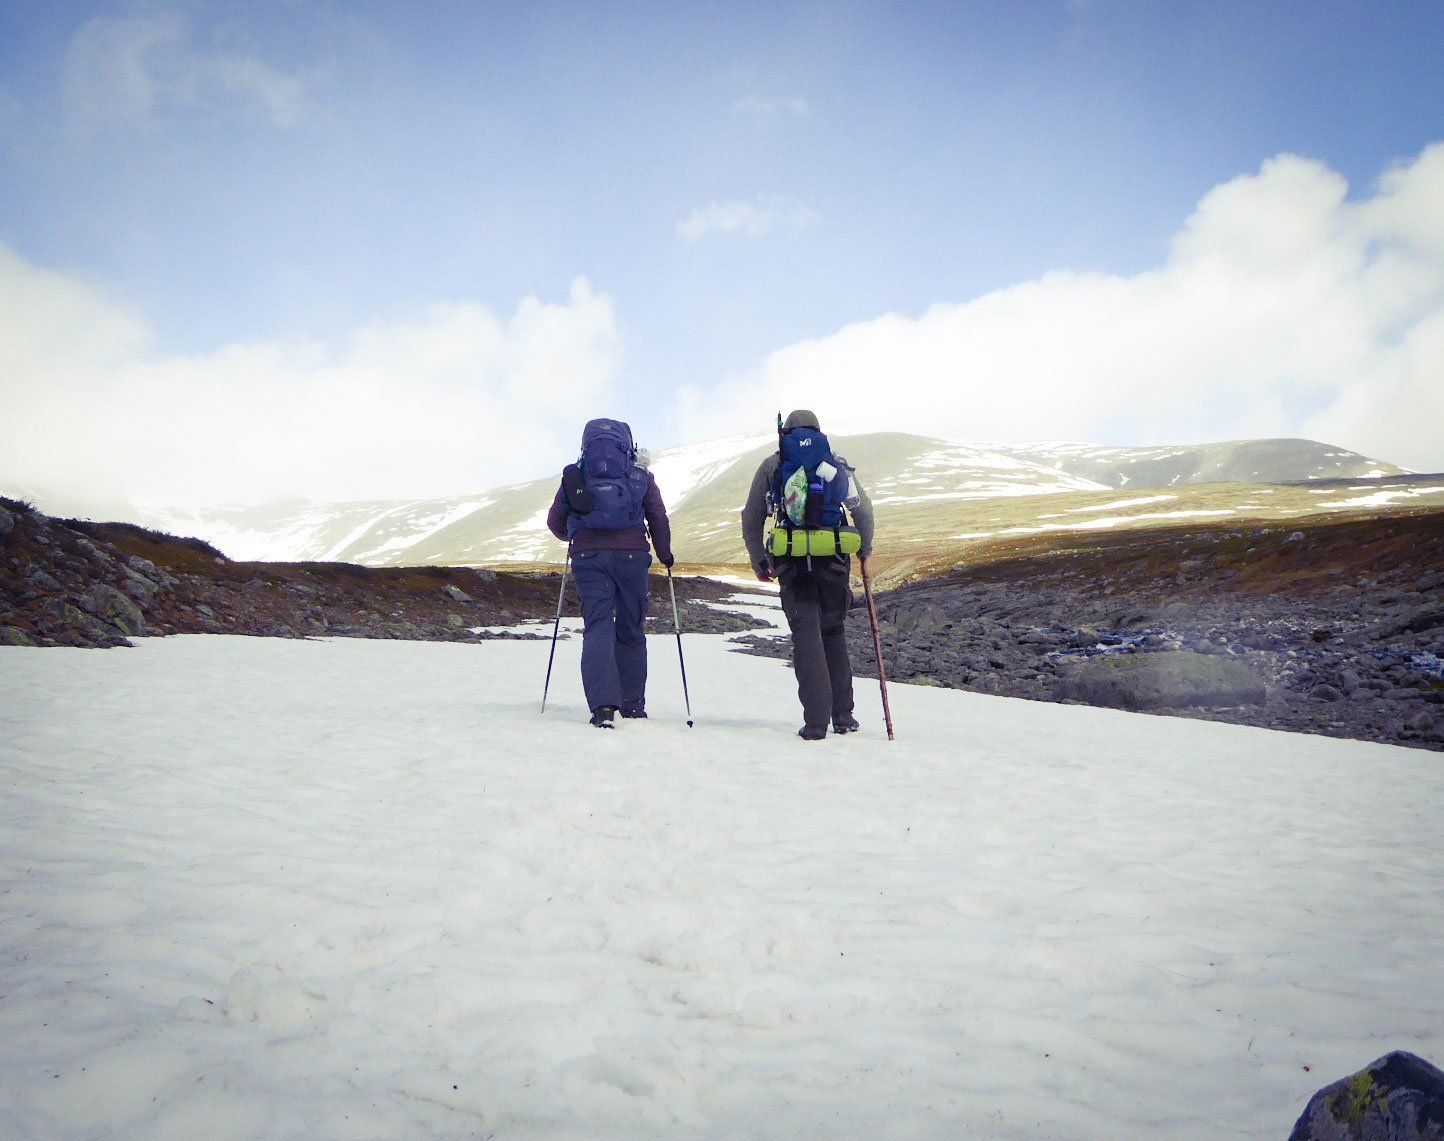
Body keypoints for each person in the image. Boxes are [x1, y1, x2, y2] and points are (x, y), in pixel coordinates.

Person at [740, 409, 875, 740]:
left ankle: (816, 723)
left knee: (806, 635)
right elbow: (863, 511)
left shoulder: (773, 465)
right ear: (818, 431)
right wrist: (864, 548)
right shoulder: (835, 463)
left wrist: (760, 560)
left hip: (792, 560)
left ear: (785, 432)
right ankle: (843, 716)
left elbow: (752, 514)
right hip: (834, 559)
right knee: (833, 632)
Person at [547, 418, 674, 728]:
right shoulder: (639, 475)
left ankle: (603, 708)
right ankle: (633, 705)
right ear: (626, 444)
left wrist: (575, 538)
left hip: (588, 557)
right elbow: (657, 516)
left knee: (598, 626)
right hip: (632, 557)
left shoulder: (576, 476)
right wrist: (665, 553)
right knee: (631, 626)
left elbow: (555, 522)